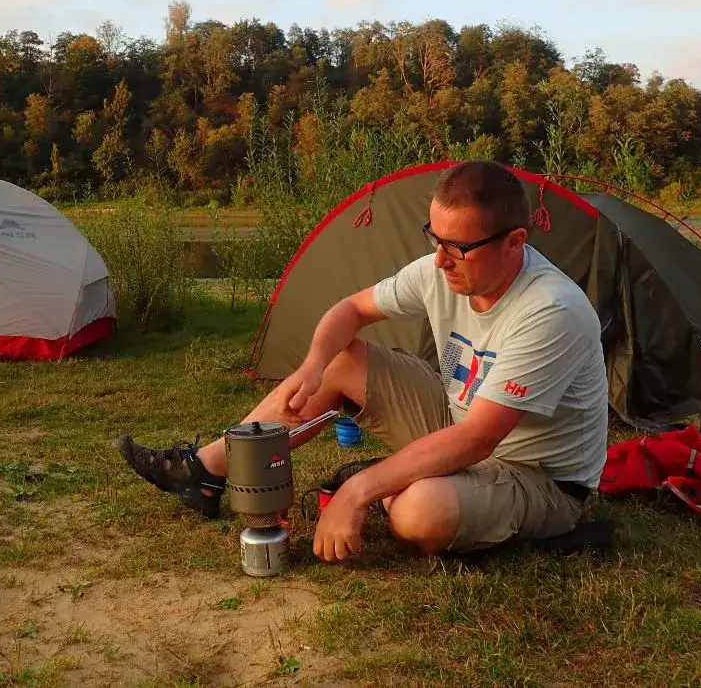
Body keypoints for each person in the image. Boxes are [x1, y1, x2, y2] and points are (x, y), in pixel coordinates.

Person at [117, 161, 609, 561]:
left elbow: (480, 437)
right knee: (339, 361)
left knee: (416, 515)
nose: (440, 260)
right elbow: (350, 310)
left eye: (457, 247)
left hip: (536, 475)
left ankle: (414, 484)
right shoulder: (442, 269)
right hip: (456, 418)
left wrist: (360, 492)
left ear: (515, 242)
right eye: (433, 238)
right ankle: (205, 472)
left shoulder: (550, 310)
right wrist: (313, 366)